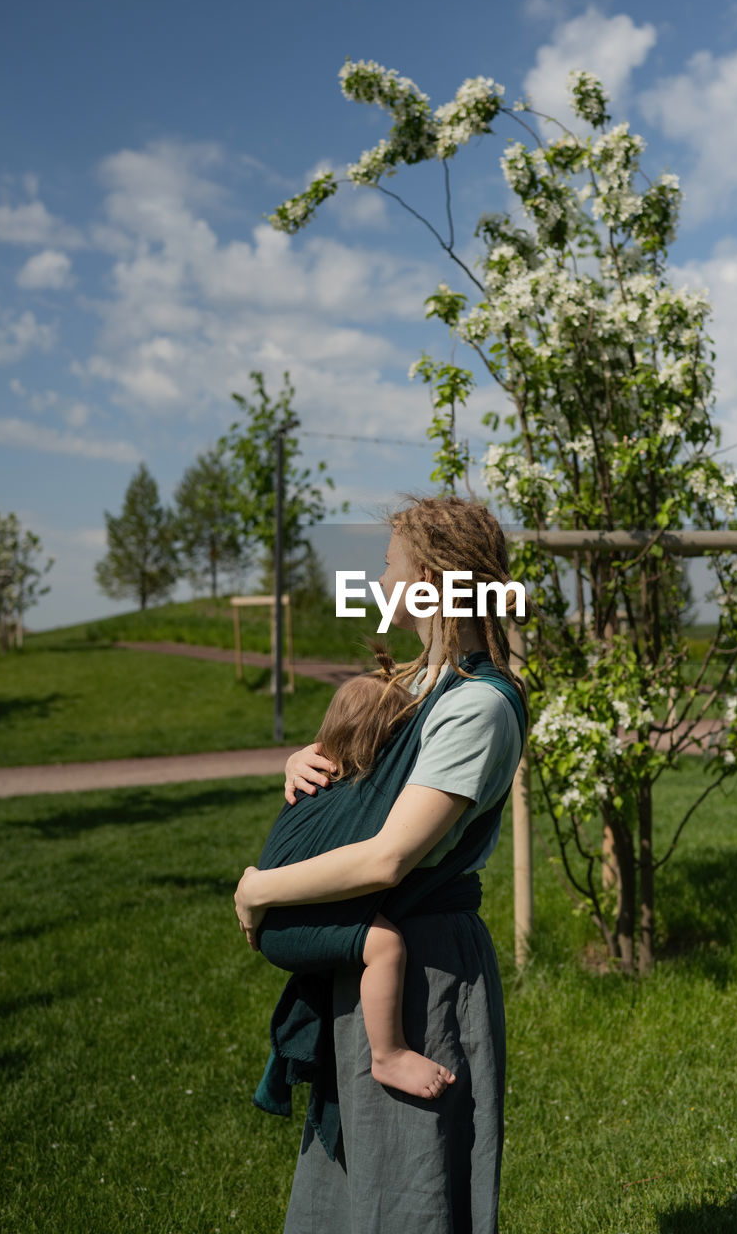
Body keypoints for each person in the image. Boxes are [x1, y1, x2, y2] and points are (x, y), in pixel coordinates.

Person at [235, 495, 528, 1234]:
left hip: (420, 978)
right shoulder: (416, 688)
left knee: (407, 1195)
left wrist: (259, 888)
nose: (379, 574)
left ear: (428, 577)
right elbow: (362, 782)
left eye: (388, 562)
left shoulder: (477, 707)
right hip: (370, 961)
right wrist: (302, 762)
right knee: (351, 1193)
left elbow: (390, 856)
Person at [256, 646, 456, 1100]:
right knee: (384, 944)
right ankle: (388, 1055)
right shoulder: (361, 793)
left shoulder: (321, 783)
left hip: (278, 909)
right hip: (283, 918)